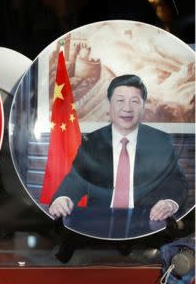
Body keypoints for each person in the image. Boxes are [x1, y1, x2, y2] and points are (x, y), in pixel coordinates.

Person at [48, 74, 188, 221]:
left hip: (145, 223)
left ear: (143, 106)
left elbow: (177, 182)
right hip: (98, 224)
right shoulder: (92, 142)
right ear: (110, 104)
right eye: (120, 100)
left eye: (134, 101)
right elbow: (76, 180)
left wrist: (170, 203)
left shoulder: (159, 141)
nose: (127, 108)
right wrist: (63, 198)